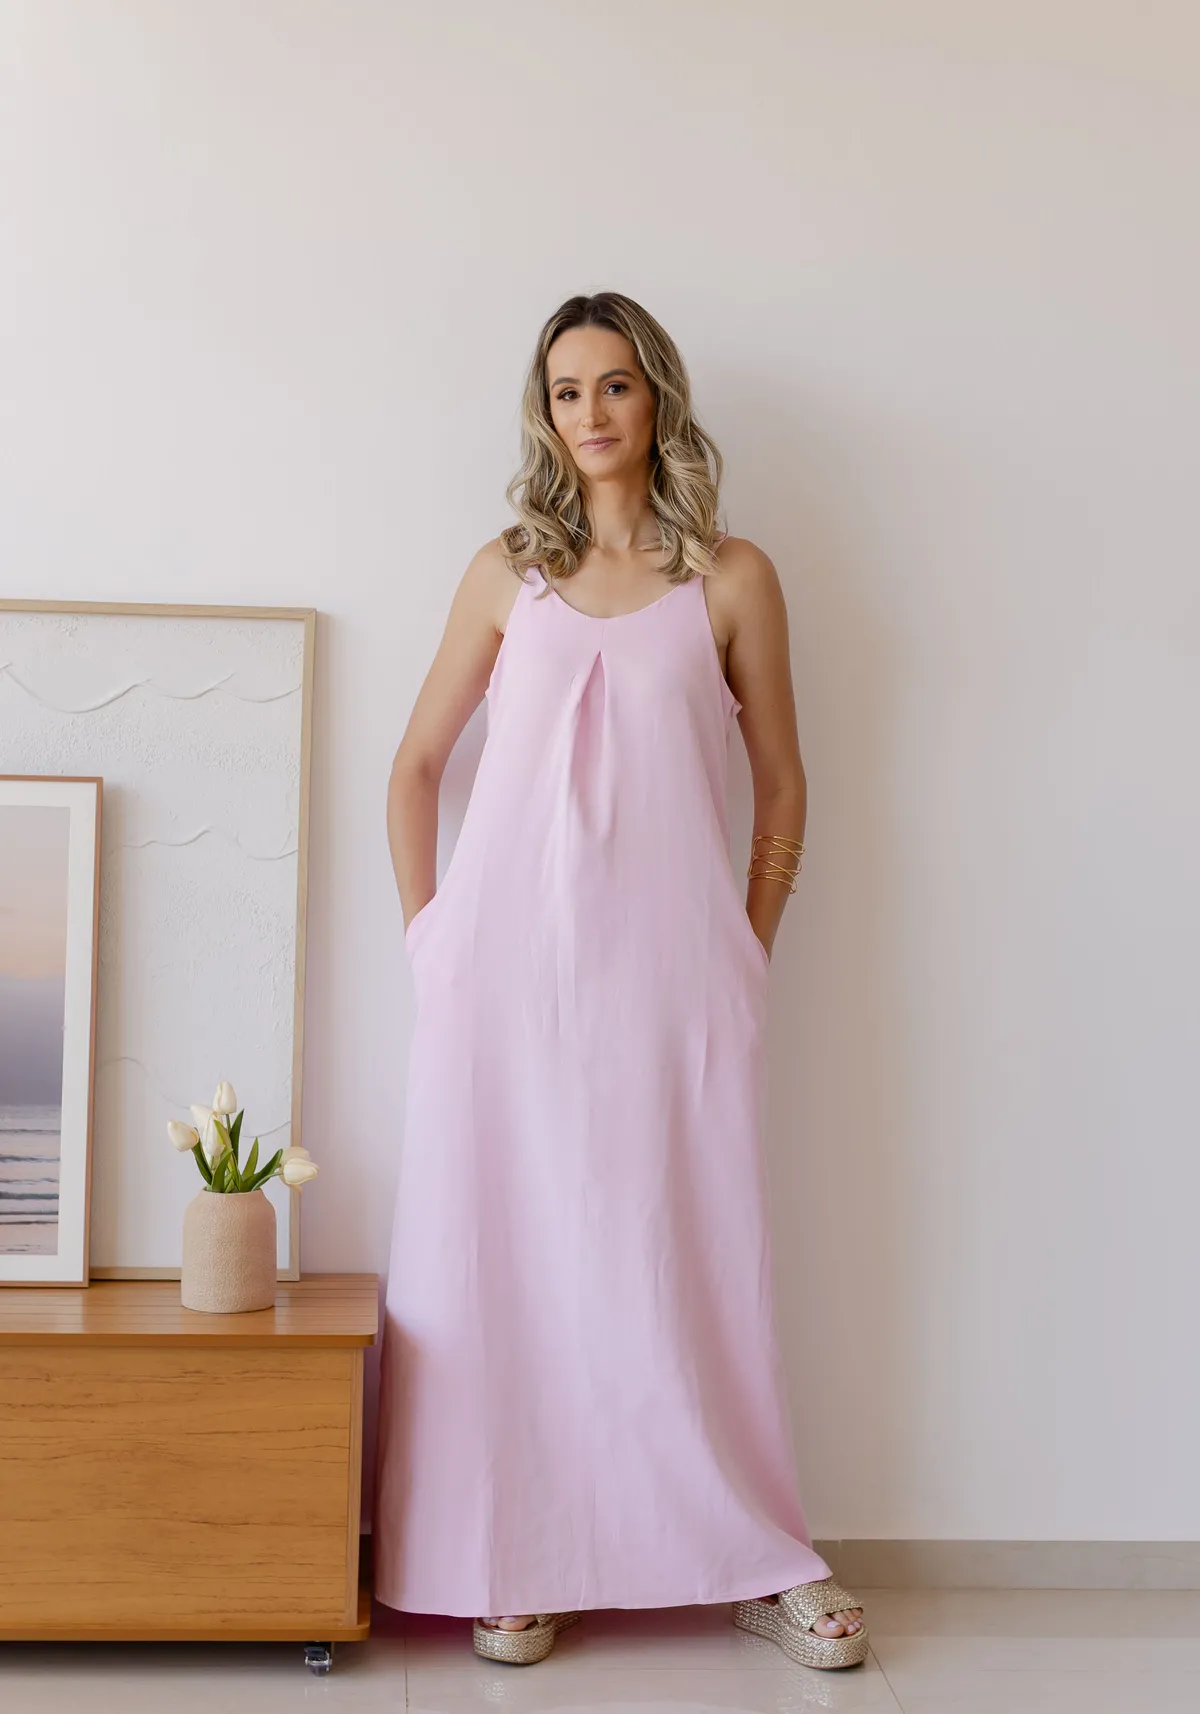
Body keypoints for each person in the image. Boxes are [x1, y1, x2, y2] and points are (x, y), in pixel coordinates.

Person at [374, 291, 868, 1671]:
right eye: (565, 390)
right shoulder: (505, 575)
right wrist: (429, 942)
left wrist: (746, 945)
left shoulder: (733, 578)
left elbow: (782, 785)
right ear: (544, 415)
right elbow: (415, 767)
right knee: (506, 1255)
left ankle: (756, 1553)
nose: (590, 412)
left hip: (675, 981)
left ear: (658, 398)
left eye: (614, 385)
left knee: (683, 1248)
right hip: (500, 983)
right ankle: (510, 1556)